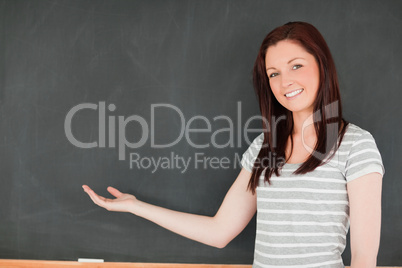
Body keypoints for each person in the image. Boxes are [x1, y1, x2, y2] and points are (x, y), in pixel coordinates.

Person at [82, 22, 384, 268]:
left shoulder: (356, 146)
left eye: (296, 66)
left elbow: (364, 258)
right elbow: (220, 231)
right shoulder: (265, 147)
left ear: (321, 65)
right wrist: (136, 206)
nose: (284, 82)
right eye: (274, 74)